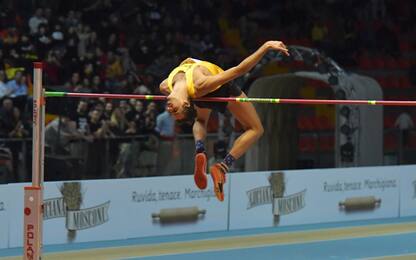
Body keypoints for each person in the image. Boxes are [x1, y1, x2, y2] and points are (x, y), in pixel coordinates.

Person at [159, 40, 289, 201]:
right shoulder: (199, 85)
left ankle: (200, 150)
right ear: (186, 103)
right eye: (175, 111)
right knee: (256, 129)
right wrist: (265, 47)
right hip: (217, 89)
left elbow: (239, 70)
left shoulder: (165, 86)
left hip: (203, 93)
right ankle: (223, 166)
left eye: (172, 111)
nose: (170, 110)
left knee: (200, 120)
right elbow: (238, 70)